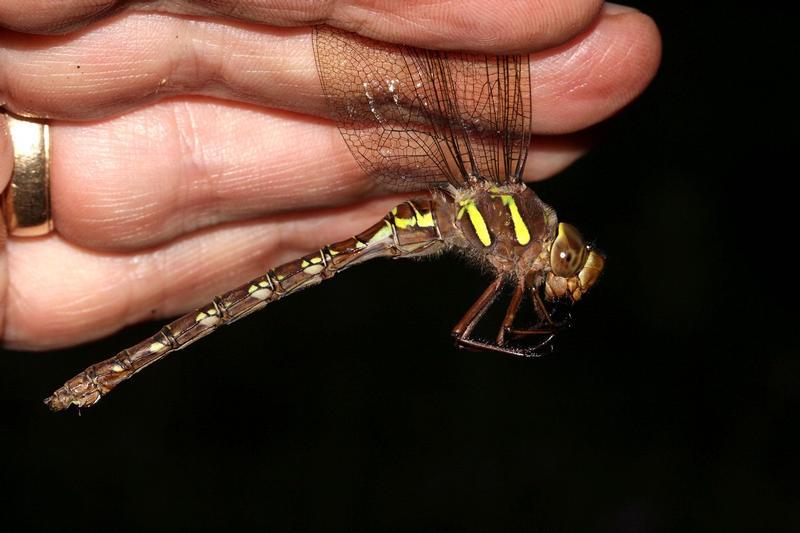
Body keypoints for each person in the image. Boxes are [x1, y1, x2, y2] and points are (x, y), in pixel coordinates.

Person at [0, 1, 660, 352]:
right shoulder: (516, 224)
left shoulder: (513, 244)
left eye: (566, 269)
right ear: (550, 236)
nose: (560, 271)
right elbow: (484, 330)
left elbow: (493, 326)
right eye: (568, 256)